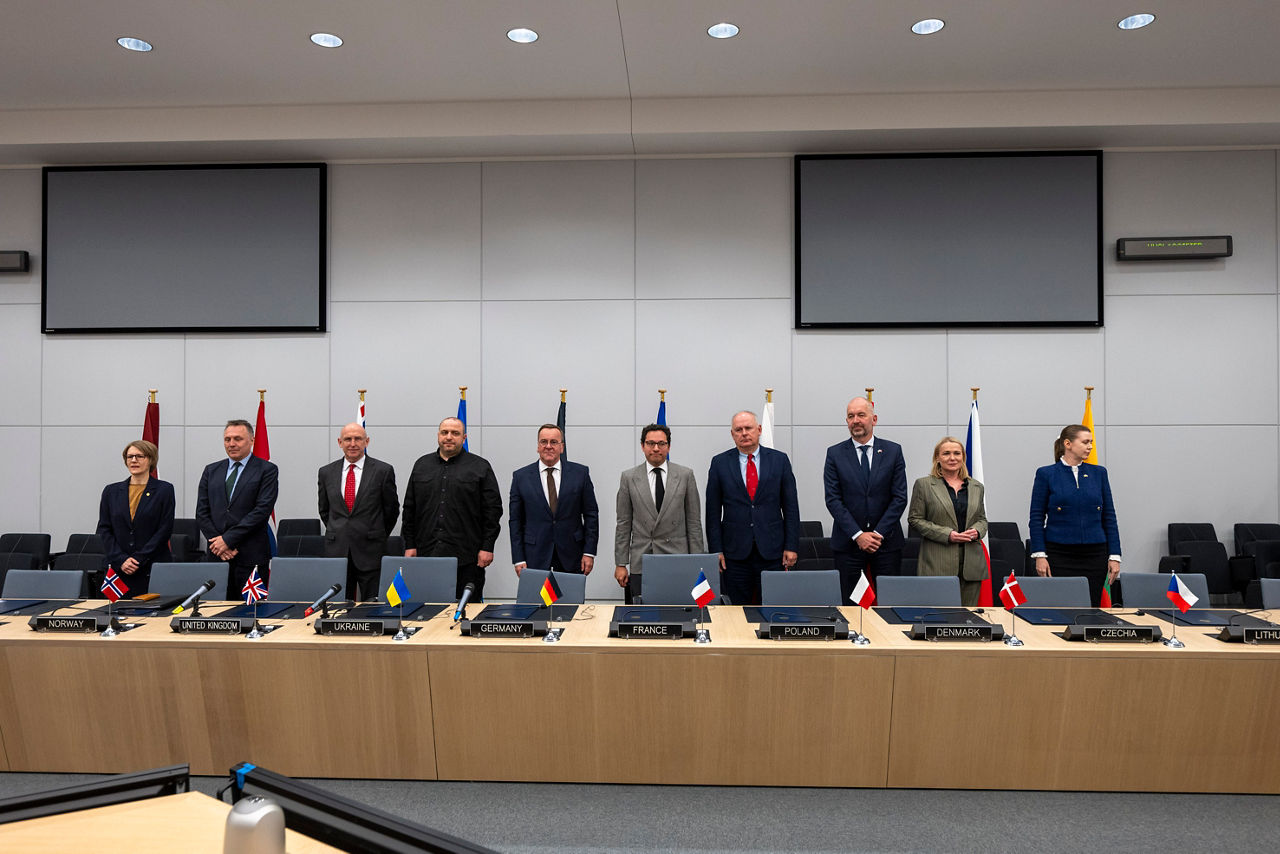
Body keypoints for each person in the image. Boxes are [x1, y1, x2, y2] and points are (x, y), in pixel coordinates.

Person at [402, 417, 503, 600]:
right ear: (438, 436)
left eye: (455, 433)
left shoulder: (480, 466)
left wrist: (487, 546)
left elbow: (493, 510)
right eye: (444, 432)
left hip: (468, 557)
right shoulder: (421, 465)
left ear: (463, 438)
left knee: (467, 613)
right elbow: (410, 508)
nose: (449, 437)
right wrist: (409, 544)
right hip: (427, 554)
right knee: (428, 610)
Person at [705, 411, 799, 605]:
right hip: (735, 553)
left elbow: (790, 508)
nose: (744, 433)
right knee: (737, 611)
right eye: (738, 430)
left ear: (759, 430)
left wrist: (791, 546)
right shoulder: (720, 463)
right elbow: (712, 512)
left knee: (774, 607)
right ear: (732, 434)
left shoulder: (779, 460)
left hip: (773, 551)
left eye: (748, 428)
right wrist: (716, 550)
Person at [823, 396, 908, 602]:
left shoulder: (893, 451)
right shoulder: (835, 453)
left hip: (886, 543)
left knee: (889, 604)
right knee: (851, 604)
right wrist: (858, 535)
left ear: (874, 419)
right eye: (851, 416)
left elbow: (899, 497)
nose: (856, 420)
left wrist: (877, 533)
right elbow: (833, 500)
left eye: (861, 415)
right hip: (849, 543)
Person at [1028, 424, 1121, 607]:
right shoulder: (1046, 474)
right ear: (1068, 444)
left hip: (1095, 554)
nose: (1090, 447)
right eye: (1085, 442)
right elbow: (1036, 518)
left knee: (1092, 606)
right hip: (1059, 553)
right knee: (1060, 606)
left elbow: (1109, 516)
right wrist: (1040, 555)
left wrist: (1115, 556)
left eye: (1091, 442)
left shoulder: (1099, 473)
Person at [614, 423, 706, 603]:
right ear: (642, 446)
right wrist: (620, 564)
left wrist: (698, 563)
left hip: (678, 559)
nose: (656, 448)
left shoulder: (685, 475)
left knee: (678, 615)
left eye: (661, 443)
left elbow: (694, 523)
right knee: (642, 618)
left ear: (669, 446)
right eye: (650, 443)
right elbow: (623, 524)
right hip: (643, 560)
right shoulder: (629, 477)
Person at [317, 423, 400, 601]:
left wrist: (375, 533)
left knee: (373, 607)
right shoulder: (326, 472)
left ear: (366, 441)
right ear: (340, 442)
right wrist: (341, 531)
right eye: (348, 439)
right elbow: (324, 510)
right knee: (336, 609)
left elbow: (391, 510)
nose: (353, 443)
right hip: (337, 551)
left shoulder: (383, 471)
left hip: (371, 550)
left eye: (358, 439)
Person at [195, 419, 279, 594]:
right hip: (217, 556)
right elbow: (202, 512)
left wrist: (228, 540)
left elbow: (261, 511)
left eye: (238, 439)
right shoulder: (211, 470)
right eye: (227, 439)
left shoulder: (267, 470)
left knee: (253, 613)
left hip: (251, 557)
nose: (231, 444)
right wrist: (218, 543)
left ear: (252, 440)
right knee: (215, 612)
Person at [509, 423, 599, 577]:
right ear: (538, 446)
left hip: (572, 554)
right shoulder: (521, 477)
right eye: (544, 442)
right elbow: (515, 521)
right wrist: (518, 558)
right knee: (537, 601)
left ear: (562, 447)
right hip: (534, 556)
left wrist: (589, 552)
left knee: (569, 600)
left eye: (554, 442)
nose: (548, 446)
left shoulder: (580, 473)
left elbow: (591, 514)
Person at [907, 437, 988, 606]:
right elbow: (915, 519)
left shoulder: (976, 486)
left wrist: (978, 531)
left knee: (968, 618)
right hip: (937, 562)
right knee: (939, 617)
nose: (952, 458)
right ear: (937, 457)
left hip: (971, 564)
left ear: (963, 457)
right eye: (946, 453)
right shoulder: (924, 485)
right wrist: (947, 534)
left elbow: (981, 518)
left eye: (957, 453)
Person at [96, 439, 175, 597]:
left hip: (151, 567)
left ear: (151, 459)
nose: (133, 460)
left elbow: (164, 530)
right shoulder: (111, 491)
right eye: (129, 456)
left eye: (139, 456)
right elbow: (104, 529)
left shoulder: (164, 490)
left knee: (152, 617)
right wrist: (121, 559)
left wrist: (139, 558)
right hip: (119, 569)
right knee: (114, 616)